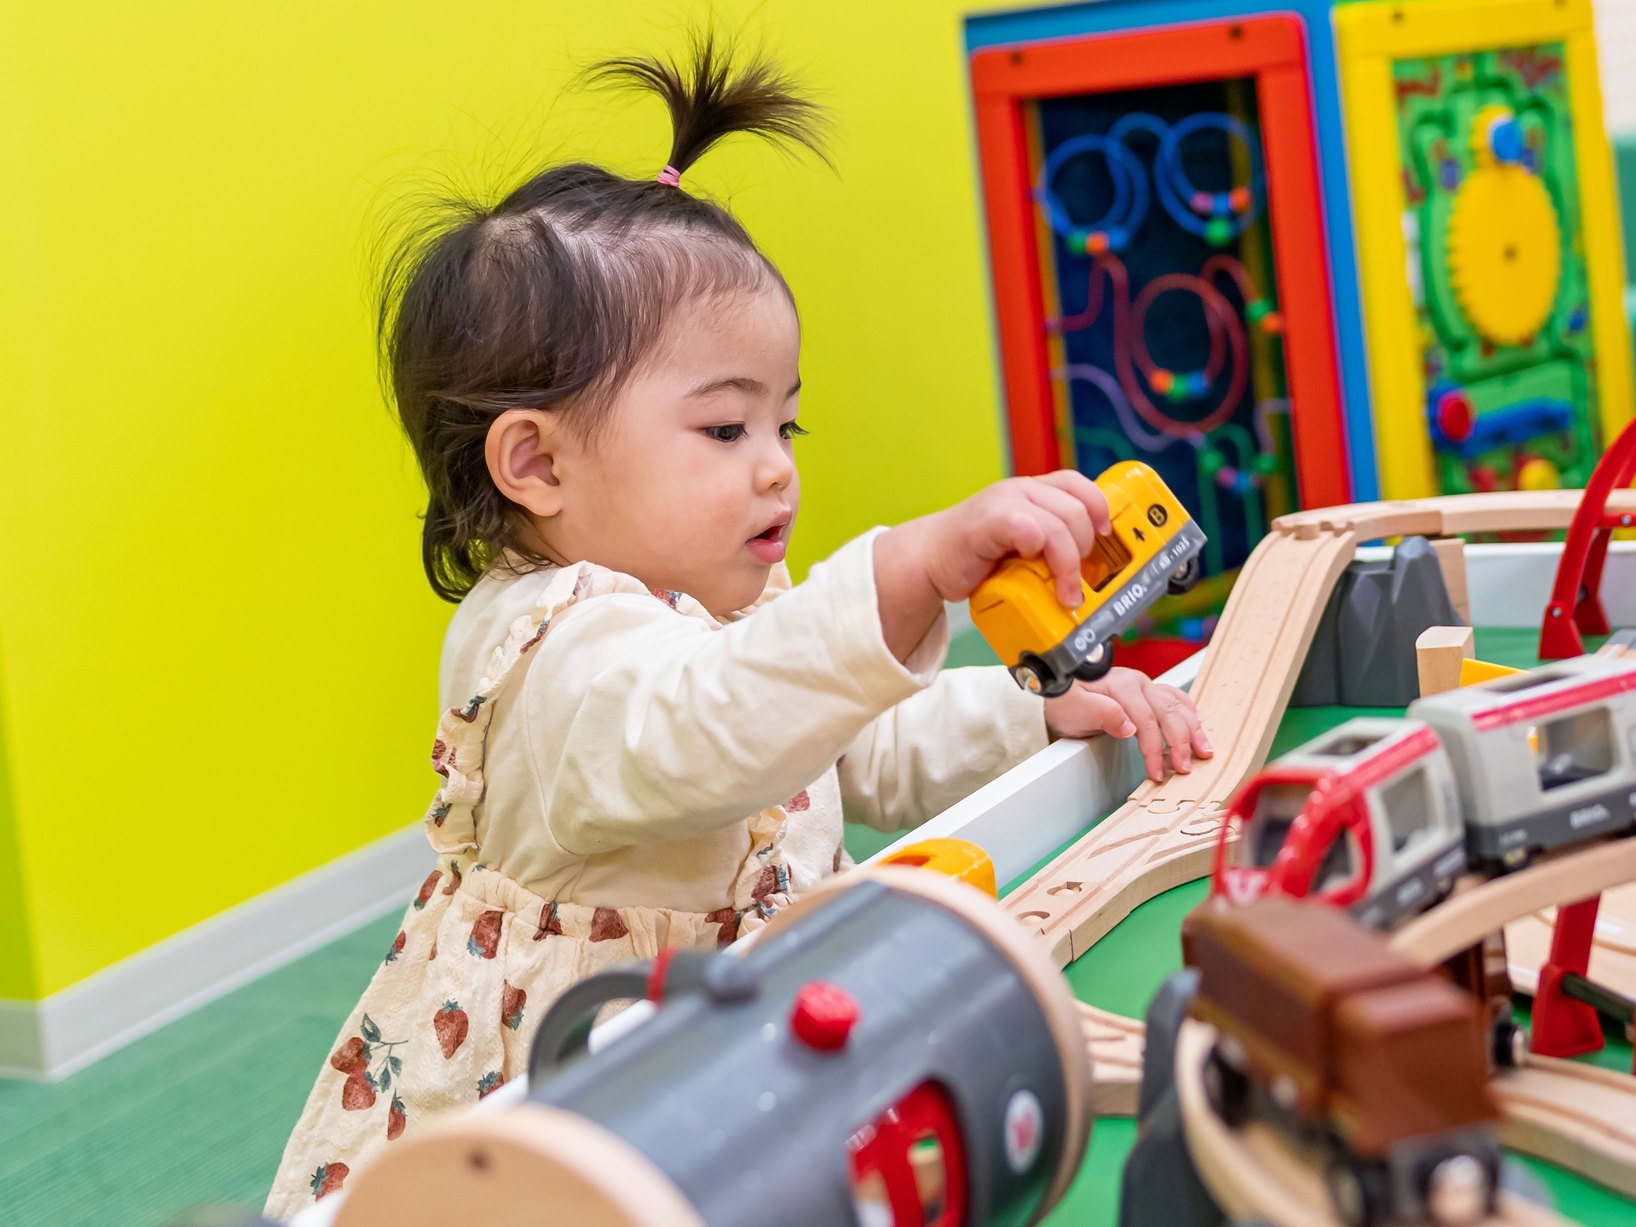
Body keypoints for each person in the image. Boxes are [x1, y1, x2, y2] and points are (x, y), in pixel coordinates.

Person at [266, 37, 1210, 1218]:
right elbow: (706, 732)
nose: (775, 470)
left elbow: (862, 745)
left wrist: (1038, 715)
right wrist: (907, 570)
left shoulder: (733, 606)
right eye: (725, 431)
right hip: (584, 1094)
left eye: (784, 427)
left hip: (737, 1047)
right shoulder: (553, 653)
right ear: (537, 464)